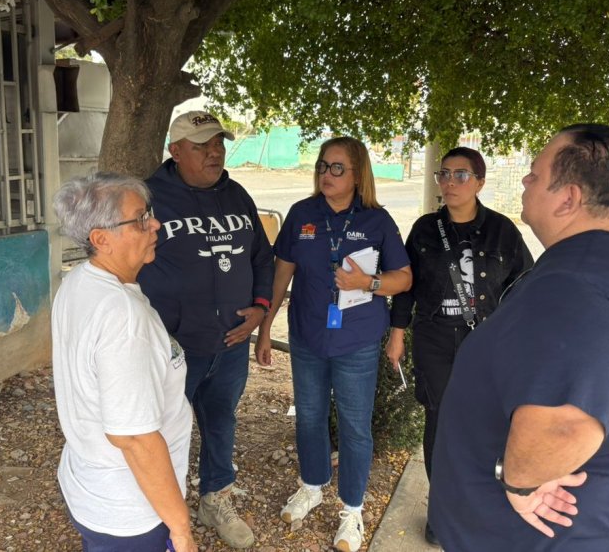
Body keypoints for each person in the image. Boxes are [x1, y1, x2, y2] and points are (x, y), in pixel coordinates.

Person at [429, 124, 609, 551]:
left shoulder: (573, 288)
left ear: (568, 199)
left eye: (534, 173)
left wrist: (519, 480)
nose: (525, 180)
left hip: (560, 537)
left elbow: (565, 426)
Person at [256, 136, 412, 552]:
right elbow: (282, 273)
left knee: (355, 426)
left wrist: (368, 283)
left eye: (337, 167)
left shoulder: (377, 221)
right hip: (308, 336)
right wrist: (266, 326)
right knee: (309, 417)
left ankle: (352, 510)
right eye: (323, 166)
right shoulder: (302, 214)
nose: (327, 174)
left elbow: (403, 279)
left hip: (356, 340)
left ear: (358, 174)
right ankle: (312, 486)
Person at [137, 111, 274, 549]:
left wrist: (261, 307)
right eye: (202, 146)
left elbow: (261, 257)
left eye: (218, 144)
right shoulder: (147, 199)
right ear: (176, 151)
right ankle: (161, 513)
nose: (215, 153)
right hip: (175, 347)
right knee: (163, 431)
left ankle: (215, 498)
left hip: (231, 343)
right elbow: (125, 265)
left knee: (221, 422)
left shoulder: (237, 195)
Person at [389, 147, 533, 546]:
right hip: (435, 339)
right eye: (444, 174)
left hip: (485, 342)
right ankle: (442, 507)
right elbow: (405, 286)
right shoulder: (424, 230)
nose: (450, 182)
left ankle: (478, 502)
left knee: (485, 422)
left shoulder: (503, 231)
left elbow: (525, 285)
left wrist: (518, 341)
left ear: (480, 182)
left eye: (461, 175)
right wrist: (397, 333)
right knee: (439, 421)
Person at [51, 173, 197, 552]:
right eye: (140, 219)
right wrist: (181, 529)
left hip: (90, 483)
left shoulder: (79, 281)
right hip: (129, 510)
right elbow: (133, 436)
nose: (155, 224)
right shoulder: (122, 316)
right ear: (101, 239)